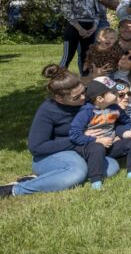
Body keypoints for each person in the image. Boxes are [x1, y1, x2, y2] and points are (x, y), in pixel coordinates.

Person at [3, 66, 123, 197]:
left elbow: (111, 118)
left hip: (82, 151)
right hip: (51, 155)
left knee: (111, 166)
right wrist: (78, 138)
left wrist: (120, 133)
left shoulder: (88, 101)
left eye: (84, 91)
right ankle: (14, 190)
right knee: (77, 172)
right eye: (76, 97)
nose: (84, 97)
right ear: (59, 98)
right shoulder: (48, 111)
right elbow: (36, 147)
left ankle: (50, 178)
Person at [68, 76, 131, 188]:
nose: (117, 93)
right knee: (97, 148)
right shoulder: (86, 112)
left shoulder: (115, 108)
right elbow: (74, 135)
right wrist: (96, 140)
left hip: (110, 144)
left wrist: (125, 133)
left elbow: (124, 122)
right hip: (90, 146)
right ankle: (96, 181)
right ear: (100, 99)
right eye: (113, 92)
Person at [59, 0, 99, 74]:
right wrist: (79, 28)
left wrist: (94, 26)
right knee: (68, 56)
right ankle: (57, 81)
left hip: (90, 27)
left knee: (86, 58)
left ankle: (85, 84)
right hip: (74, 27)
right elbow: (66, 10)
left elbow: (96, 10)